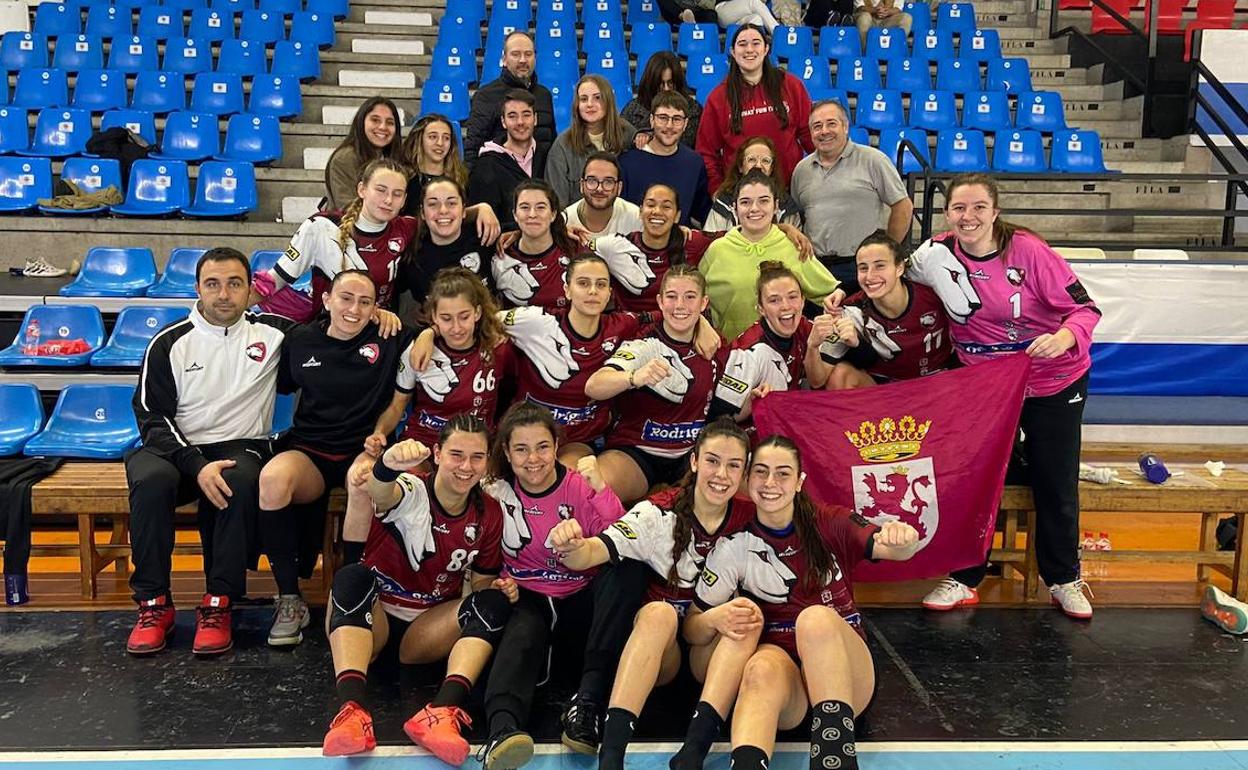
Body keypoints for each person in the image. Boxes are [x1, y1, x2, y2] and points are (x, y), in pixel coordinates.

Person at [906, 173, 1101, 619]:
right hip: (985, 384)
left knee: (1055, 479)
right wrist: (845, 300)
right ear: (947, 214)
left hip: (1053, 378)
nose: (968, 217)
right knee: (975, 478)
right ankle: (964, 575)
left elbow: (1085, 309)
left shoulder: (1029, 251)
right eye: (959, 208)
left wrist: (1065, 337)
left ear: (995, 212)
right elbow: (890, 281)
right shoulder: (936, 252)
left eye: (978, 208)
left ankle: (1064, 579)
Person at [691, 435, 922, 770]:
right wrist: (716, 618)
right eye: (761, 472)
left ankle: (836, 762)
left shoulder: (830, 521)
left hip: (846, 677)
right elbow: (693, 627)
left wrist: (904, 540)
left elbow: (891, 548)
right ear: (748, 479)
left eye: (783, 473)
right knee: (758, 668)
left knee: (815, 619)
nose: (771, 483)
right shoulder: (734, 545)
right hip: (789, 691)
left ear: (799, 482)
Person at [546, 419, 763, 770]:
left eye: (733, 465)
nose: (721, 474)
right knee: (658, 612)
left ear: (744, 472)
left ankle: (694, 750)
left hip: (709, 655)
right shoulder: (656, 512)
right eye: (712, 461)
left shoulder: (753, 517)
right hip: (658, 655)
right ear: (693, 461)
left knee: (746, 613)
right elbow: (590, 553)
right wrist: (567, 544)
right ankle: (611, 757)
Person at [124, 248, 294, 657]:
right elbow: (151, 417)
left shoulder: (275, 333)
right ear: (197, 288)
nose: (224, 294)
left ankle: (219, 603)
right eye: (213, 284)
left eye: (235, 284)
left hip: (239, 444)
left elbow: (337, 332)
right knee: (150, 482)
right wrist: (195, 464)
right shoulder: (169, 343)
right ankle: (153, 605)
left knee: (238, 480)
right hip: (173, 447)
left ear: (251, 288)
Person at [321, 421, 517, 765]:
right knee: (352, 577)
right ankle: (352, 711)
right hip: (374, 619)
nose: (466, 466)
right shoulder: (412, 488)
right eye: (456, 454)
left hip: (426, 630)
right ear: (438, 454)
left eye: (476, 457)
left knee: (495, 601)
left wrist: (500, 588)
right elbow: (381, 491)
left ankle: (440, 713)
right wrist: (387, 465)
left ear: (487, 461)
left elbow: (482, 584)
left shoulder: (489, 513)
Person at [477, 403, 644, 770]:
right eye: (521, 449)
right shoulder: (493, 492)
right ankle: (501, 732)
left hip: (578, 599)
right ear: (506, 452)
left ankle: (586, 706)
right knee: (520, 630)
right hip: (526, 597)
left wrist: (598, 495)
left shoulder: (581, 486)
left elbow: (624, 538)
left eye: (542, 447)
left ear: (556, 447)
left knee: (627, 571)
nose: (533, 458)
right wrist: (495, 581)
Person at [256, 270, 411, 646]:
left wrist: (399, 321)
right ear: (326, 300)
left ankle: (347, 596)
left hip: (364, 448)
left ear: (377, 308)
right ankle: (290, 598)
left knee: (361, 484)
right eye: (346, 298)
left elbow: (429, 335)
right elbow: (276, 383)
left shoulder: (389, 337)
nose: (354, 309)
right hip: (310, 450)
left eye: (365, 302)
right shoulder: (301, 340)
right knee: (272, 480)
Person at [585, 266, 729, 504]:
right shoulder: (644, 343)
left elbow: (728, 405)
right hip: (637, 454)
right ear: (660, 302)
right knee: (588, 490)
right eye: (672, 296)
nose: (680, 305)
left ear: (704, 303)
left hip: (691, 456)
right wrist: (633, 378)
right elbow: (594, 386)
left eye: (690, 297)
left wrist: (757, 396)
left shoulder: (714, 344)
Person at [592, 183, 812, 313]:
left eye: (666, 206)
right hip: (631, 336)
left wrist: (782, 228)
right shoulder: (616, 246)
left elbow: (743, 231)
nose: (657, 211)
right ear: (640, 211)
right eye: (650, 205)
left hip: (678, 331)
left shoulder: (693, 242)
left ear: (677, 215)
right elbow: (576, 253)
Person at [250, 158, 416, 324]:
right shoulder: (322, 227)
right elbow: (275, 279)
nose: (388, 200)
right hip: (327, 329)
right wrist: (233, 309)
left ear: (404, 199)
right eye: (381, 190)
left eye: (397, 194)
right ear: (362, 189)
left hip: (379, 328)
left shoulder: (406, 228)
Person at [699, 169, 840, 340]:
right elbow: (696, 300)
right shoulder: (717, 250)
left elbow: (831, 292)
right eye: (745, 202)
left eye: (764, 201)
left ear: (776, 206)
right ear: (735, 208)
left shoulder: (794, 245)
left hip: (787, 355)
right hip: (731, 355)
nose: (754, 208)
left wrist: (836, 303)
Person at [789, 99, 913, 289]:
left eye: (831, 123)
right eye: (817, 126)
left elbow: (903, 206)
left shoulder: (873, 160)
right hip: (816, 268)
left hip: (861, 268)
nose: (824, 131)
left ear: (845, 127)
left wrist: (888, 251)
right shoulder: (801, 170)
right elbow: (799, 217)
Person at [816, 231, 955, 389]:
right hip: (882, 387)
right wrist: (813, 345)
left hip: (937, 380)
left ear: (900, 268)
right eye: (863, 268)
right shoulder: (848, 310)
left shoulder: (934, 293)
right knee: (839, 375)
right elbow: (817, 380)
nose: (870, 276)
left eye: (880, 265)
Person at [710, 261, 836, 421]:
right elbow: (719, 420)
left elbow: (817, 382)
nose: (786, 306)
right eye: (774, 300)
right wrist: (751, 403)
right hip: (758, 434)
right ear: (761, 308)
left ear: (803, 301)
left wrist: (813, 347)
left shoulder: (803, 326)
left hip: (792, 416)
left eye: (792, 297)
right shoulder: (749, 352)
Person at [696, 24, 812, 194]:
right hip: (741, 194)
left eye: (756, 43)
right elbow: (706, 152)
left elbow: (809, 135)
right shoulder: (718, 97)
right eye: (742, 44)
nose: (749, 49)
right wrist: (717, 189)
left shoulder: (791, 85)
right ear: (733, 52)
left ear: (766, 49)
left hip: (790, 190)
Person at [463, 31, 556, 168]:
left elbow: (551, 141)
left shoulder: (544, 95)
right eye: (516, 54)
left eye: (528, 54)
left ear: (535, 58)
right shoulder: (486, 95)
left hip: (539, 184)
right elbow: (473, 149)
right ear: (504, 59)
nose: (523, 60)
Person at [619, 91, 712, 227]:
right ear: (651, 120)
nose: (669, 125)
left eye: (677, 119)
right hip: (634, 243)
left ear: (685, 124)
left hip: (678, 244)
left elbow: (702, 211)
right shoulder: (627, 162)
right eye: (663, 118)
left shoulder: (694, 162)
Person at [545, 75, 638, 209]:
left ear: (608, 101)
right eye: (583, 99)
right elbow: (557, 203)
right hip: (577, 226)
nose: (589, 104)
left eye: (597, 98)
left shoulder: (628, 134)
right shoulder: (563, 145)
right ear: (577, 105)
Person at [401, 177, 495, 306]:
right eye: (433, 204)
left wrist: (484, 207)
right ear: (422, 212)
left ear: (463, 210)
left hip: (490, 321)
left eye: (451, 203)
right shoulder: (412, 258)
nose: (443, 210)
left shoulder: (485, 235)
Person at [493, 179, 580, 311]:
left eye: (540, 207)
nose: (532, 214)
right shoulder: (500, 257)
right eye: (524, 207)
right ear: (515, 215)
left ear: (553, 214)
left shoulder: (575, 252)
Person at [468, 89, 545, 230]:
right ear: (503, 122)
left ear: (535, 119)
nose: (520, 122)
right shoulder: (486, 165)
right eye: (512, 116)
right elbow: (483, 226)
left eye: (526, 115)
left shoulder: (547, 156)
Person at [703, 136, 801, 232]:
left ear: (772, 168)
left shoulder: (787, 206)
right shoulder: (723, 204)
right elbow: (711, 244)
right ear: (740, 166)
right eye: (751, 159)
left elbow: (796, 245)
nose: (758, 165)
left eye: (765, 161)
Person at [324, 97, 403, 210]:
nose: (383, 127)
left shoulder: (394, 158)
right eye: (375, 120)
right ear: (361, 122)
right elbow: (347, 207)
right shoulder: (345, 158)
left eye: (390, 122)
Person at [621, 51, 702, 148]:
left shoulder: (694, 111)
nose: (666, 89)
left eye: (670, 83)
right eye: (660, 84)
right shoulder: (632, 110)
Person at [400, 113, 470, 215]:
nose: (440, 143)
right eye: (433, 137)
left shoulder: (461, 178)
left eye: (446, 138)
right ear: (420, 139)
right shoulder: (404, 178)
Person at [563, 153, 643, 239]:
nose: (599, 189)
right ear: (582, 185)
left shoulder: (636, 218)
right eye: (592, 181)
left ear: (619, 188)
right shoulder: (564, 222)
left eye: (608, 182)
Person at [715, 0, 781, 31]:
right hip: (723, 9)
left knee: (756, 19)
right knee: (754, 2)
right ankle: (780, 35)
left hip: (741, 16)